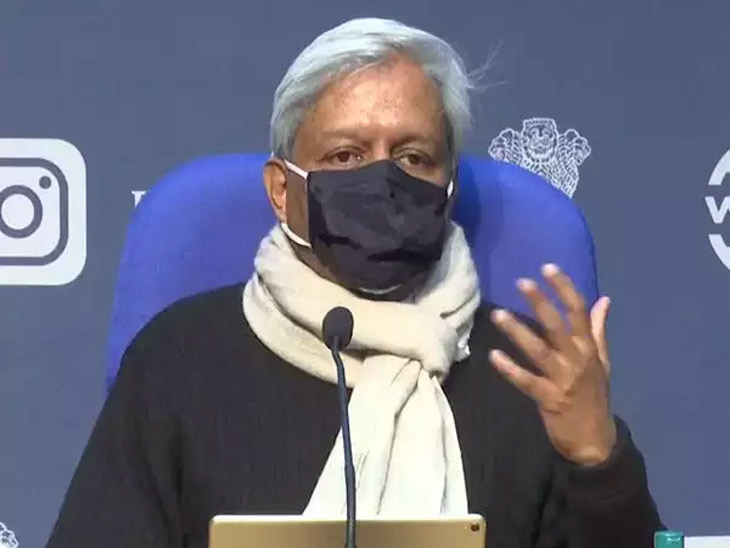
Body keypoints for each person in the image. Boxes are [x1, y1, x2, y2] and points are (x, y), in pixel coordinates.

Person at [46, 17, 662, 548]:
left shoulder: (530, 373)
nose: (383, 181)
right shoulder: (178, 360)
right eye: (346, 156)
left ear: (448, 189)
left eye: (413, 157)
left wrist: (597, 462)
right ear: (282, 191)